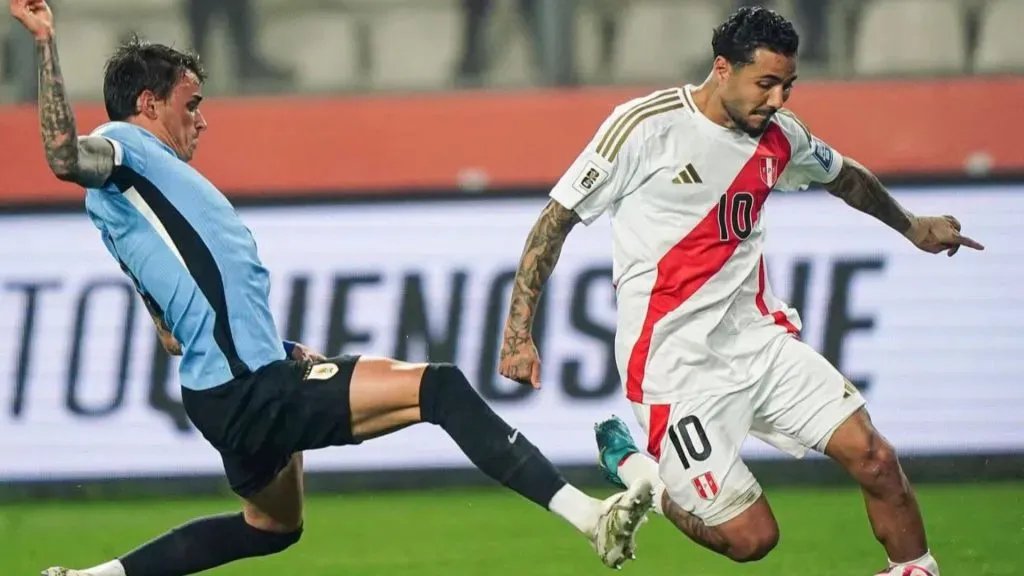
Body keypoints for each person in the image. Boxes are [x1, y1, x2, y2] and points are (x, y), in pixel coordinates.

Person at [7, 1, 655, 575]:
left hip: (228, 389)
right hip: (246, 390)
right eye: (190, 104)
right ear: (149, 104)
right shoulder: (124, 147)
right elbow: (65, 155)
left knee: (273, 527)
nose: (200, 121)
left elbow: (176, 333)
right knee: (439, 387)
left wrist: (283, 349)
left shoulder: (140, 201)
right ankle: (587, 517)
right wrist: (44, 44)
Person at [498, 6, 983, 576]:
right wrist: (517, 333)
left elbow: (845, 175)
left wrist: (913, 226)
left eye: (788, 86)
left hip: (759, 343)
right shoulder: (643, 126)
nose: (778, 100)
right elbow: (554, 222)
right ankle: (637, 467)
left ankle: (915, 569)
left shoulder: (780, 135)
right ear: (722, 69)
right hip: (673, 369)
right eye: (766, 84)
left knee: (875, 458)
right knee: (752, 539)